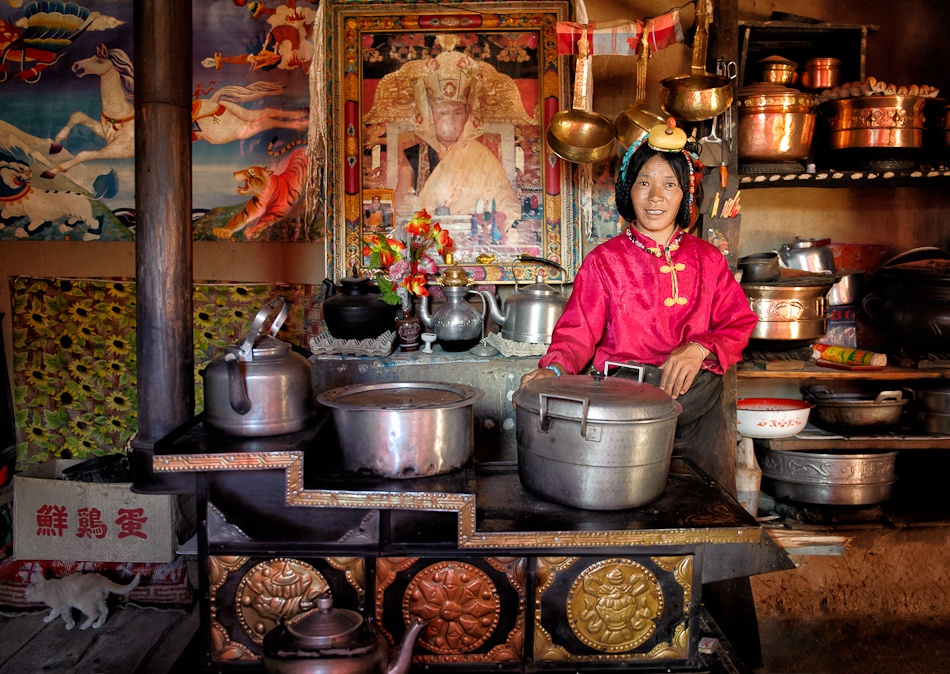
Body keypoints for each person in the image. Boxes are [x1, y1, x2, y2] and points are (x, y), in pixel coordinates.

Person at [519, 120, 762, 667]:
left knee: (714, 525)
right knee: (625, 526)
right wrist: (552, 372)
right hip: (622, 414)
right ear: (627, 190)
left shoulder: (707, 261)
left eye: (670, 184)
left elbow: (737, 323)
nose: (656, 196)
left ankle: (722, 652)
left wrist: (698, 347)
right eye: (645, 182)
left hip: (697, 409)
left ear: (687, 195)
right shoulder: (605, 262)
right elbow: (576, 335)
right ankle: (626, 644)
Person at [394, 50, 521, 229]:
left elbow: (505, 200)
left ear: (467, 115)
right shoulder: (414, 156)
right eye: (442, 113)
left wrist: (513, 223)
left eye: (457, 113)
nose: (450, 121)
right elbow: (400, 207)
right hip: (427, 241)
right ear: (430, 117)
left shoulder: (480, 155)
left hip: (473, 238)